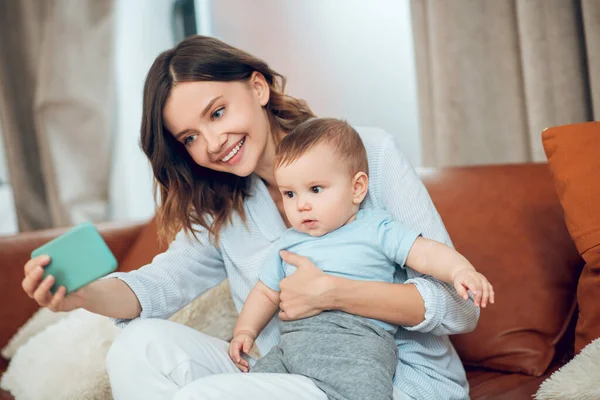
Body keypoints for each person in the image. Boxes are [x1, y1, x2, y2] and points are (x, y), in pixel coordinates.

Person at [20, 35, 481, 400]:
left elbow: (460, 307)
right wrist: (81, 294)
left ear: (258, 87)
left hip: (388, 383)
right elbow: (157, 288)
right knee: (136, 348)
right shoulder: (225, 204)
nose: (213, 142)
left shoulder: (368, 153)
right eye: (191, 137)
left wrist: (339, 292)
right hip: (283, 367)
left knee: (202, 397)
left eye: (217, 112)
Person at [229, 118, 494, 400]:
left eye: (315, 189)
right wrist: (245, 331)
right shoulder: (289, 241)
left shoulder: (376, 228)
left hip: (359, 342)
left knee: (364, 391)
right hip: (293, 345)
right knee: (253, 389)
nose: (301, 204)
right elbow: (266, 292)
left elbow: (425, 252)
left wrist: (459, 270)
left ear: (357, 188)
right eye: (290, 194)